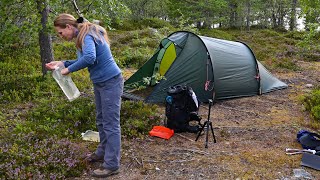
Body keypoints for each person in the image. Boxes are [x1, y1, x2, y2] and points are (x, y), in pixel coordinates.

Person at [45, 13, 123, 178]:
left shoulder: (87, 34)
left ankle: (112, 164)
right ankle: (102, 152)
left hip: (111, 82)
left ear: (68, 27)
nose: (61, 36)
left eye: (60, 33)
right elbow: (85, 58)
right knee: (101, 120)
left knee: (111, 124)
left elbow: (89, 58)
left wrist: (68, 70)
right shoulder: (83, 35)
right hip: (101, 82)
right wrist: (63, 63)